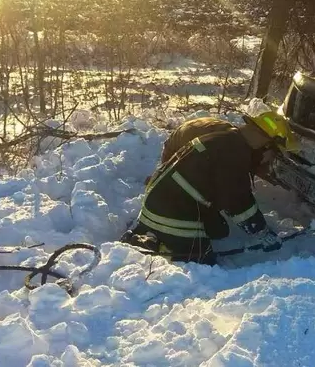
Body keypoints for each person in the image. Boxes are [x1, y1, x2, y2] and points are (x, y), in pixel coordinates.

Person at [125, 111, 299, 264]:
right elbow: (237, 201)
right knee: (203, 259)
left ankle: (156, 233)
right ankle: (152, 242)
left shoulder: (228, 139)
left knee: (219, 230)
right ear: (266, 144)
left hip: (165, 200)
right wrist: (261, 232)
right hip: (171, 212)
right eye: (273, 153)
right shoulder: (234, 153)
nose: (269, 160)